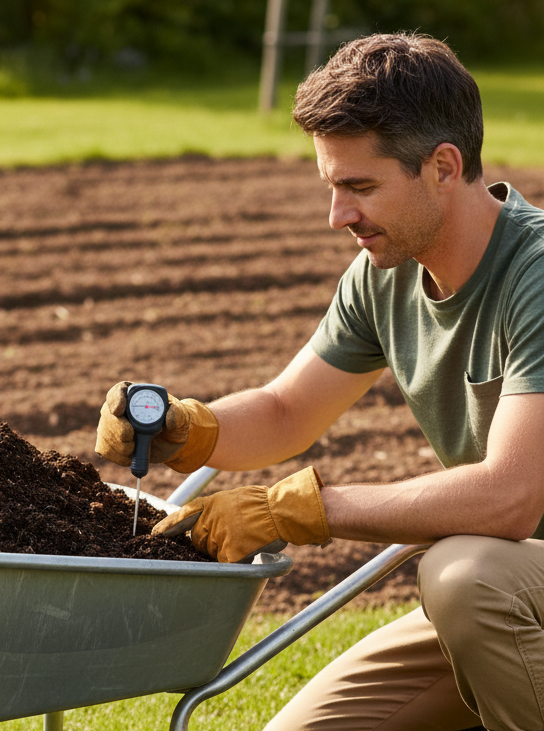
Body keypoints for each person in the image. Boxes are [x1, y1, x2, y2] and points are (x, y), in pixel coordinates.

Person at [95, 32, 544, 731]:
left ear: (444, 167)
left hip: (498, 583)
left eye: (360, 186)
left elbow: (509, 498)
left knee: (462, 574)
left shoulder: (535, 275)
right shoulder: (384, 277)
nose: (338, 216)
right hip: (514, 599)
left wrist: (298, 511)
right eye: (332, 187)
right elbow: (284, 411)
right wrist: (188, 426)